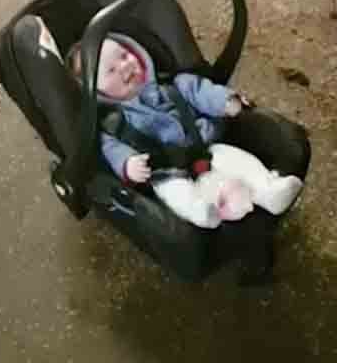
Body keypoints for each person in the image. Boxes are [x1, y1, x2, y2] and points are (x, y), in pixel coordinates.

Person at [68, 34, 304, 229]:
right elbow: (111, 149)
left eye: (124, 55)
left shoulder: (174, 84)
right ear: (97, 93)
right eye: (111, 70)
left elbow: (201, 91)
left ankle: (268, 191)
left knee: (239, 161)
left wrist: (225, 101)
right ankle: (203, 212)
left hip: (207, 149)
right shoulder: (114, 124)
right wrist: (128, 163)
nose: (124, 65)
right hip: (166, 172)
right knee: (177, 194)